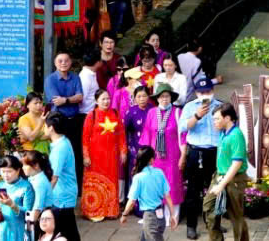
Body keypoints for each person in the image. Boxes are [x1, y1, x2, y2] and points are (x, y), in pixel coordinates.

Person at [179, 77, 221, 239]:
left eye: (208, 91)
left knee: (216, 190)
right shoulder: (190, 107)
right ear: (196, 93)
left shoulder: (219, 106)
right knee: (193, 191)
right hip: (196, 152)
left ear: (213, 91)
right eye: (201, 92)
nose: (205, 95)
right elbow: (183, 127)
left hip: (215, 152)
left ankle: (214, 224)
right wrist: (197, 116)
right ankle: (191, 226)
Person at [202, 105, 248, 241]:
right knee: (208, 208)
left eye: (217, 119)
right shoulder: (223, 132)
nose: (214, 122)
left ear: (227, 118)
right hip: (219, 175)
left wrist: (221, 185)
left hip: (234, 179)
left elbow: (236, 163)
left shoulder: (236, 135)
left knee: (236, 217)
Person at [138, 84, 183, 223]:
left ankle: (172, 217)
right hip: (155, 157)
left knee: (173, 184)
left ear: (171, 98)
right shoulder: (152, 113)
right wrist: (145, 157)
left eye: (167, 96)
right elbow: (147, 133)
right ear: (157, 98)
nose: (164, 99)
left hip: (173, 156)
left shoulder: (177, 112)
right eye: (161, 96)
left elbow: (183, 134)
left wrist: (183, 155)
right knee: (154, 185)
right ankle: (155, 216)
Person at [80, 90, 125, 221]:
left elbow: (121, 134)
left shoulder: (115, 113)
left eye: (108, 99)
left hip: (111, 155)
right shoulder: (91, 115)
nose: (106, 101)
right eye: (103, 99)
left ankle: (110, 211)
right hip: (95, 156)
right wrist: (86, 156)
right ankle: (94, 211)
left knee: (111, 180)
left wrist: (123, 151)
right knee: (94, 182)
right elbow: (85, 138)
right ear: (96, 101)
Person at [120, 148, 177, 241]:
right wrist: (172, 215)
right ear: (151, 160)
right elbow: (168, 196)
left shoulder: (138, 177)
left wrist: (124, 214)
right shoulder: (160, 173)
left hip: (150, 219)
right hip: (161, 216)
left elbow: (132, 201)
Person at [44, 113, 79, 241]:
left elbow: (54, 177)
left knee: (65, 232)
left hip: (62, 196)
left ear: (51, 128)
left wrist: (45, 197)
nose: (44, 128)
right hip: (64, 193)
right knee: (69, 231)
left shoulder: (60, 148)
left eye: (45, 126)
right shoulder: (63, 141)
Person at [0, 155, 34, 241]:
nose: (5, 175)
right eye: (3, 171)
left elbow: (28, 213)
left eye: (9, 171)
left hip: (19, 230)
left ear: (18, 170)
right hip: (2, 230)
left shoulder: (26, 186)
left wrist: (12, 205)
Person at [17, 152, 52, 225]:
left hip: (39, 219)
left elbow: (37, 206)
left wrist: (30, 224)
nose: (23, 167)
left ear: (36, 165)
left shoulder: (39, 183)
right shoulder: (33, 178)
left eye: (25, 165)